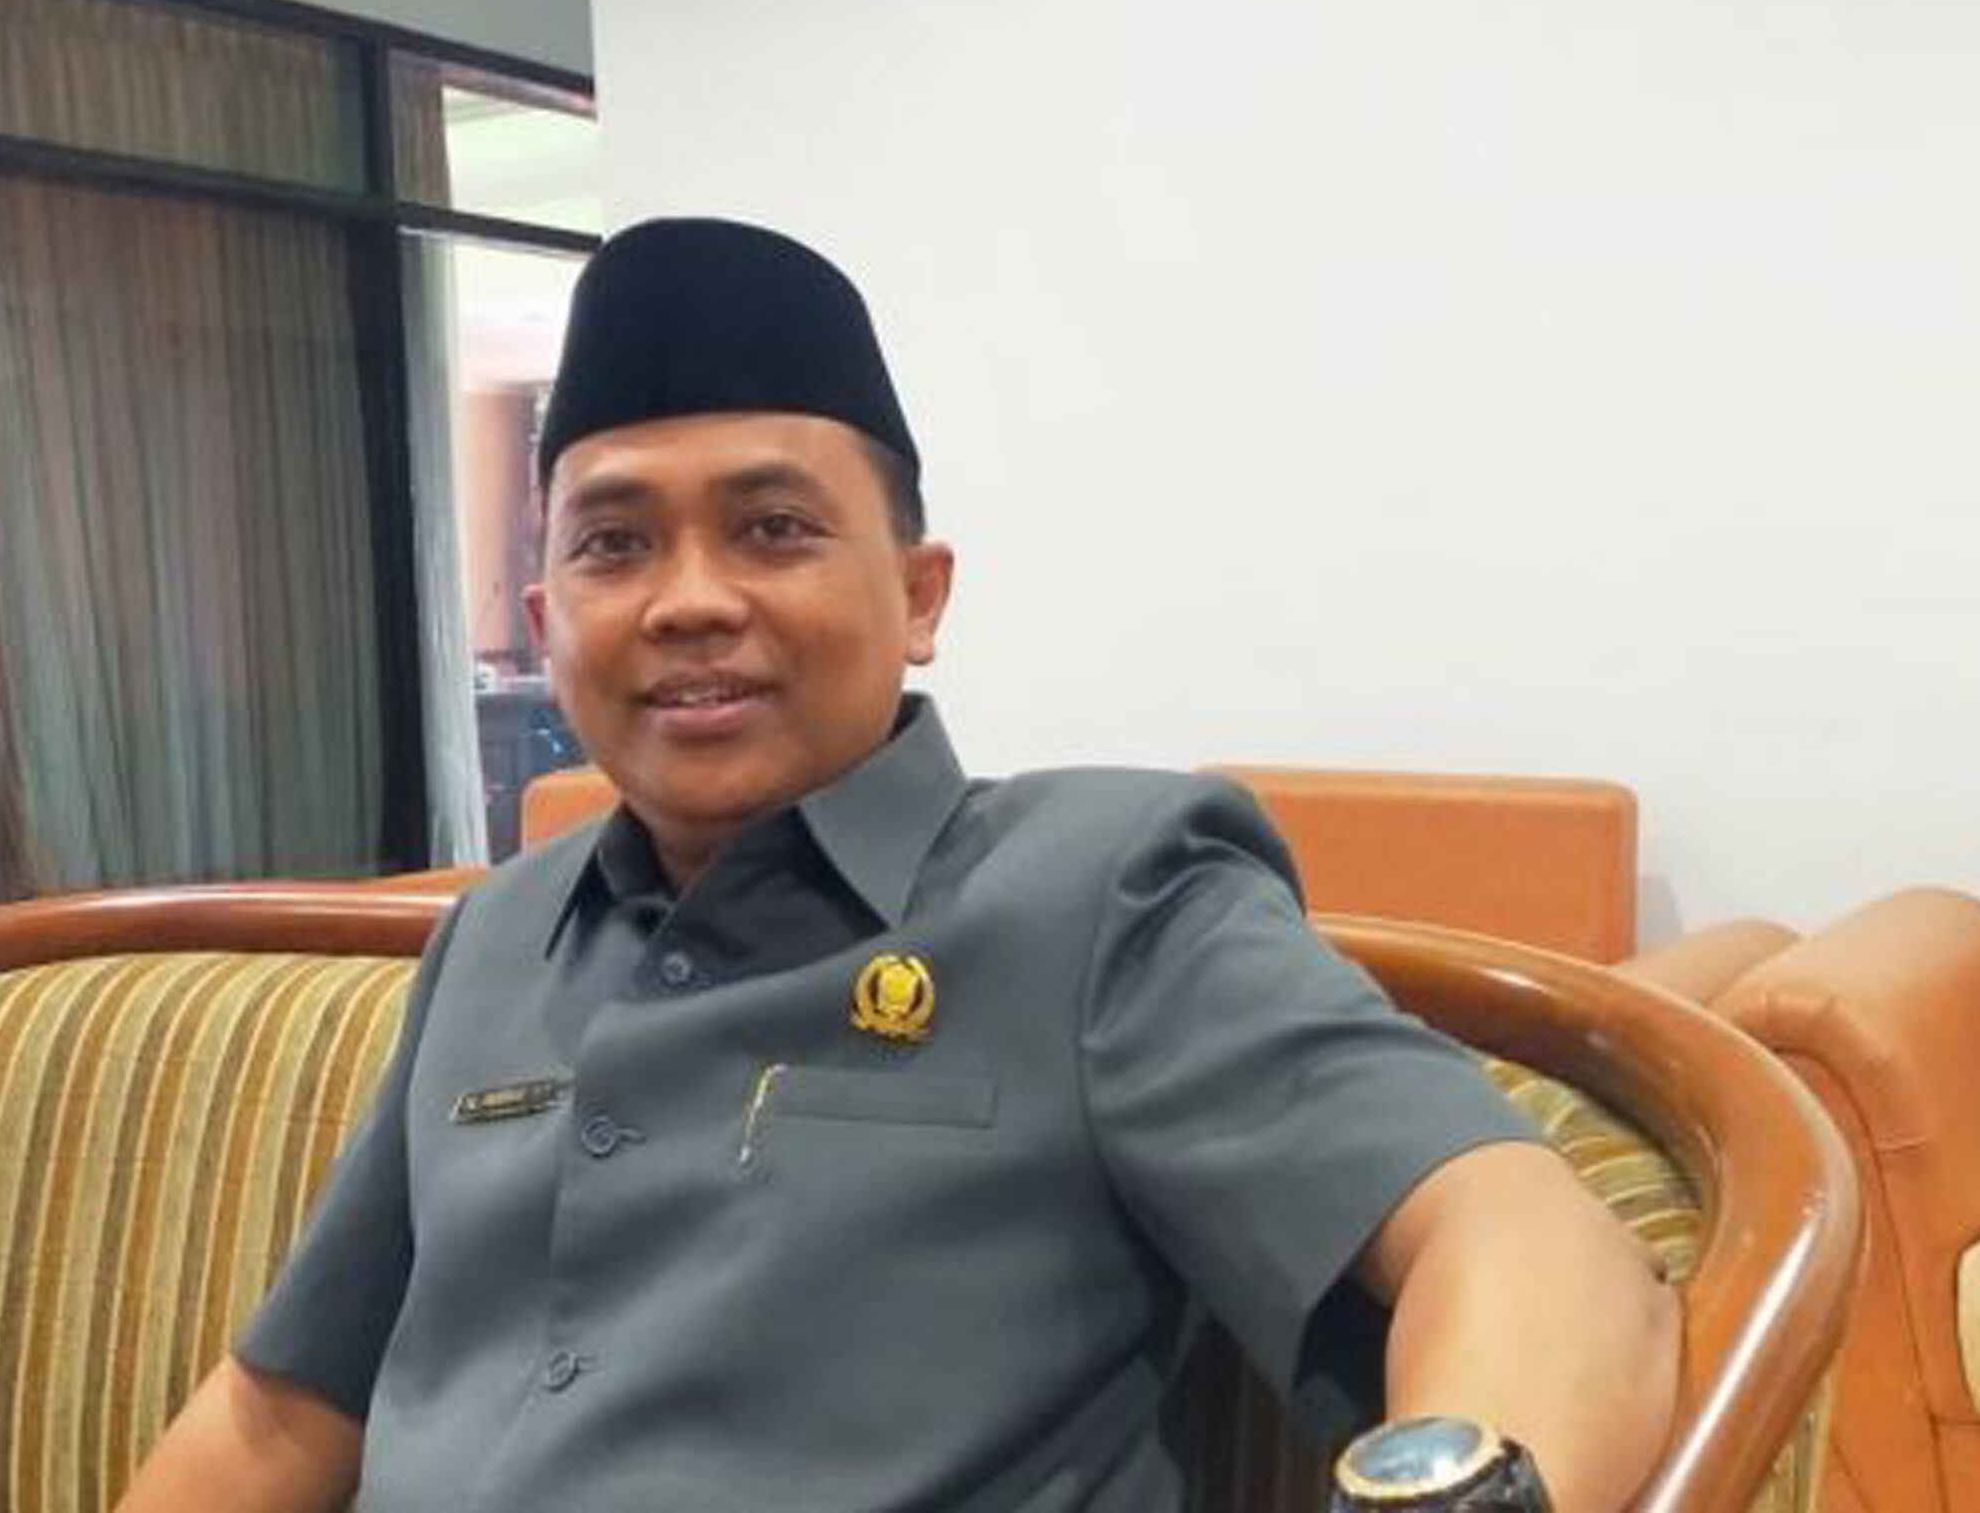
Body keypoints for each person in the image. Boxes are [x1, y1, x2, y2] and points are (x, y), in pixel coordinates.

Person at [117, 218, 1677, 1513]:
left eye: (773, 529)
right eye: (613, 544)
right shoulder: (494, 938)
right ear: (546, 621)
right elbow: (278, 1413)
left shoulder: (1104, 891)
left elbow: (1526, 1240)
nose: (688, 599)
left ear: (920, 596)